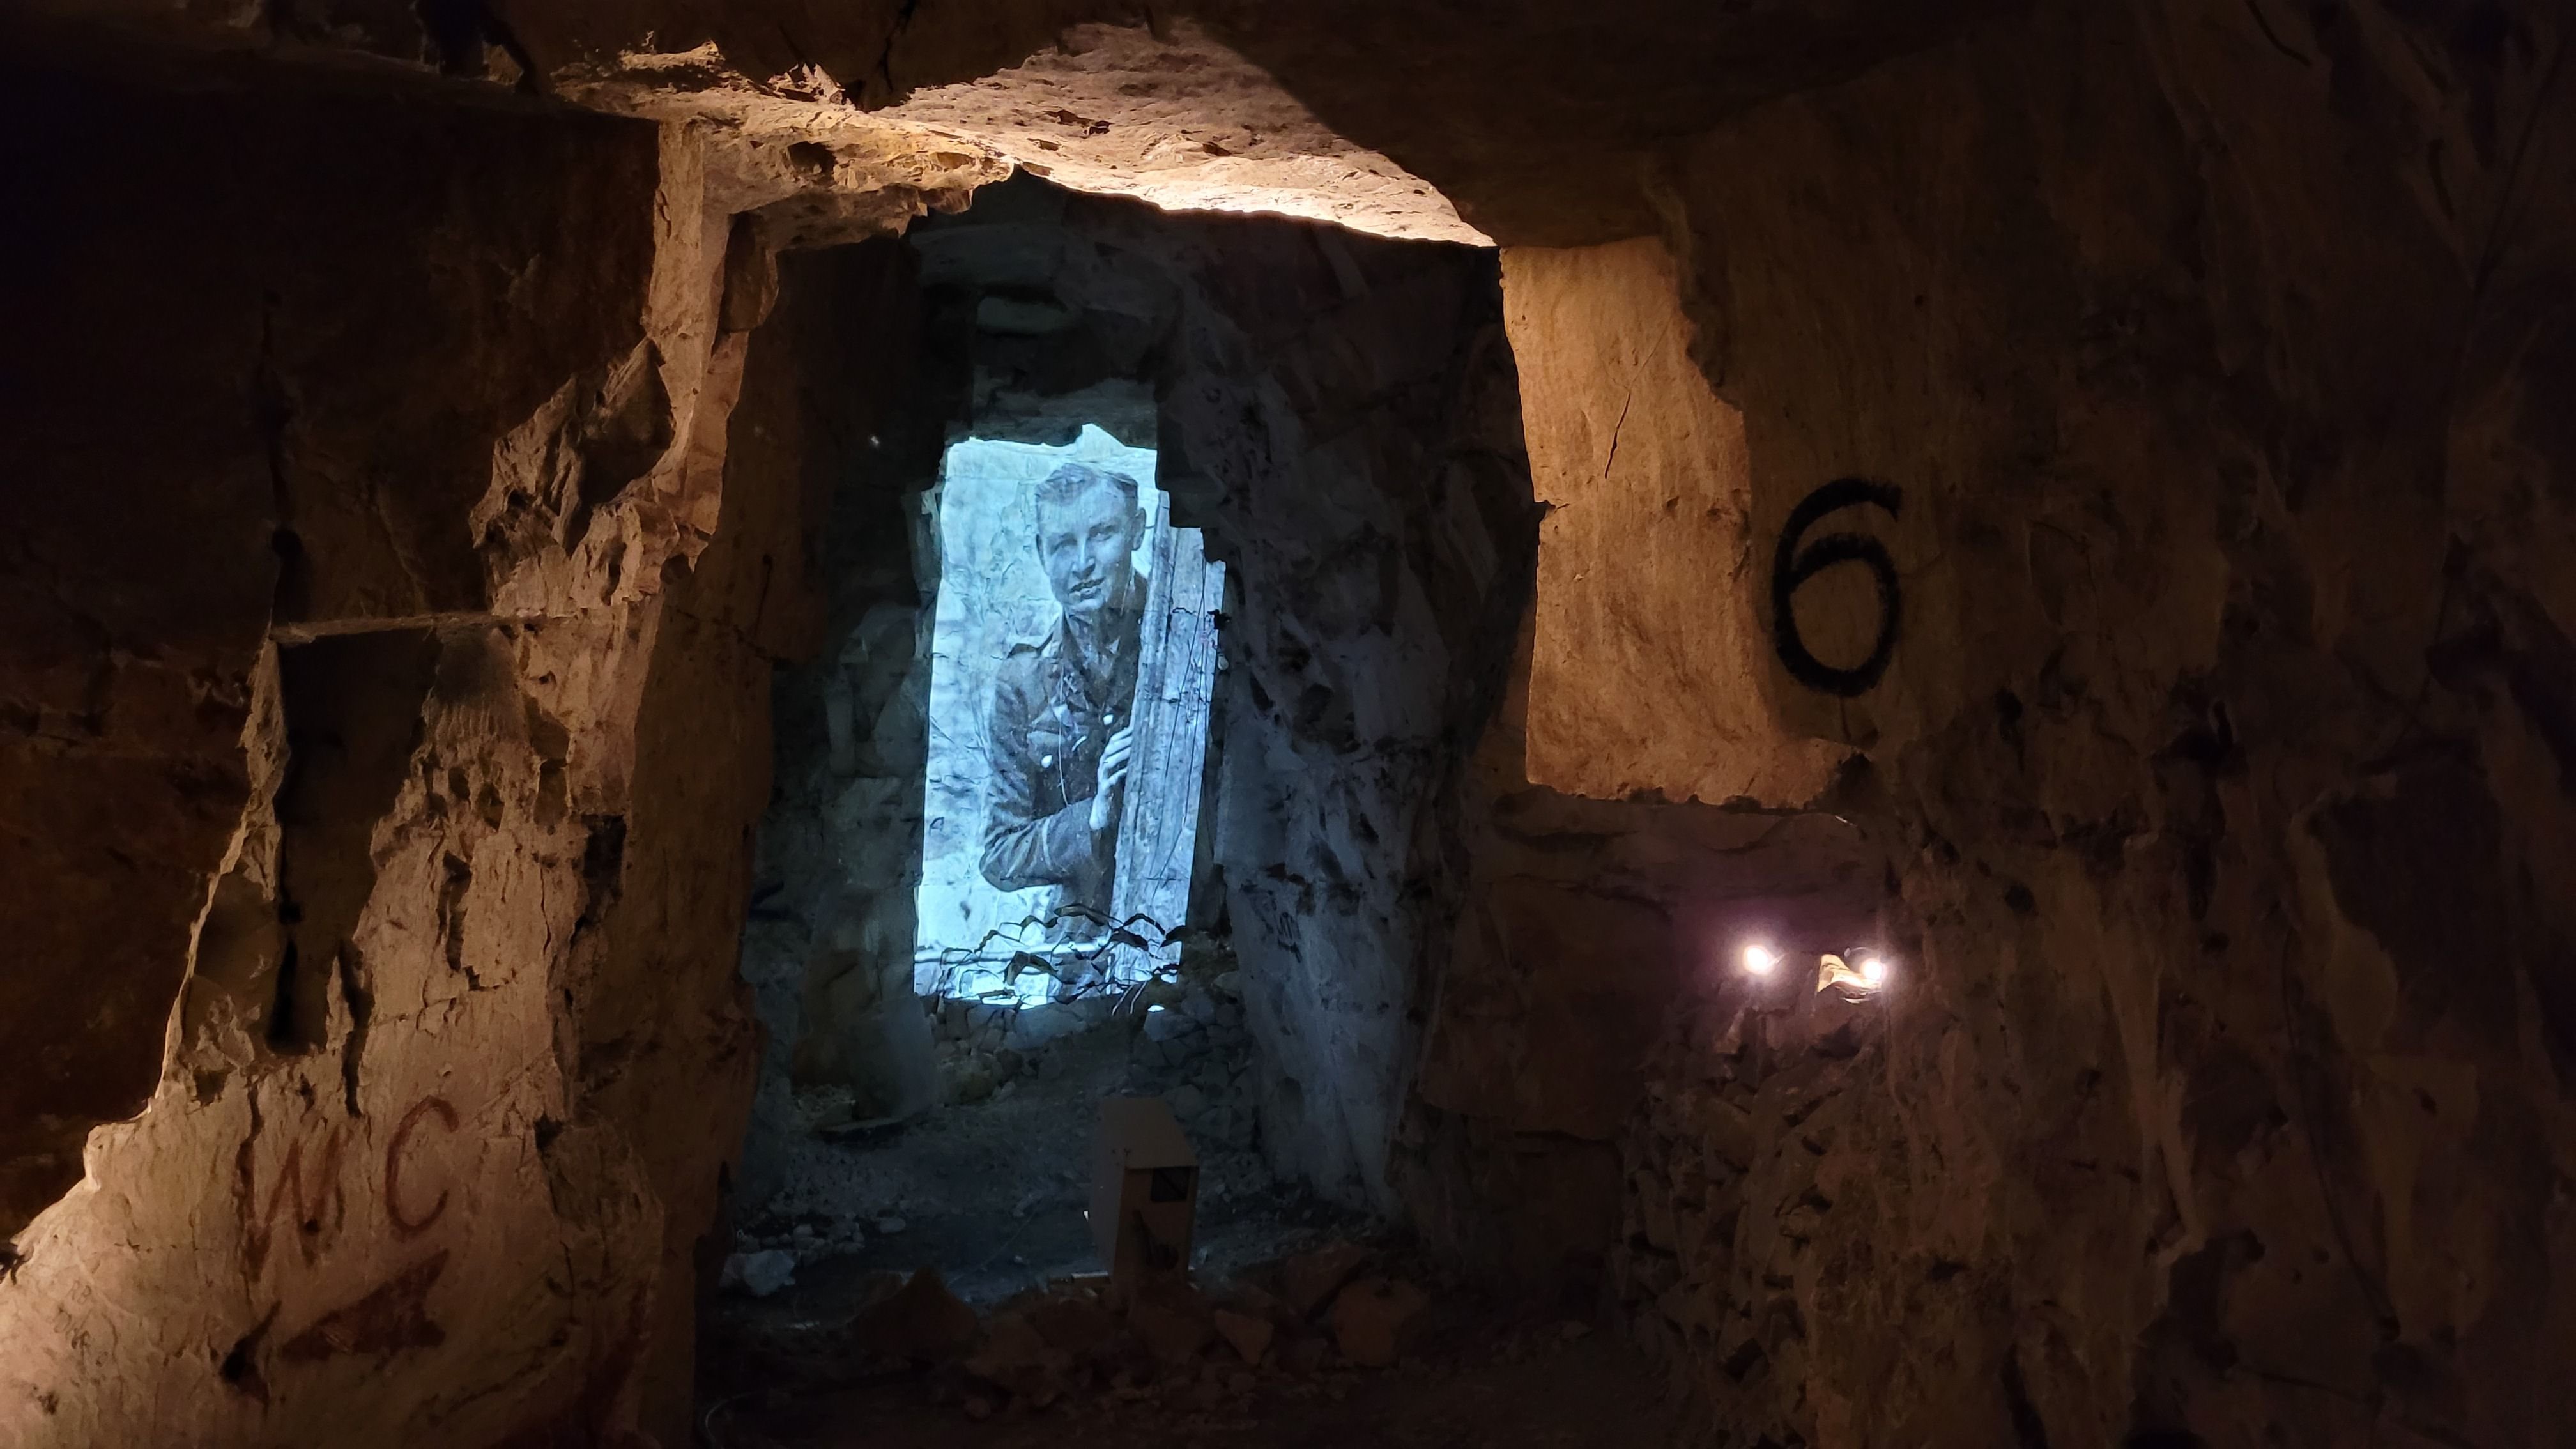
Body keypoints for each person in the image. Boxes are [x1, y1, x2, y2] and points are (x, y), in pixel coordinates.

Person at [979, 461, 1149, 940]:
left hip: (1195, 924)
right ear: (1039, 553)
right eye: (1061, 545)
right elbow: (1000, 852)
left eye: (1101, 535)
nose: (1082, 564)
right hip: (1083, 940)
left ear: (1136, 532)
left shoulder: (1187, 640)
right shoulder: (1023, 681)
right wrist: (1091, 819)